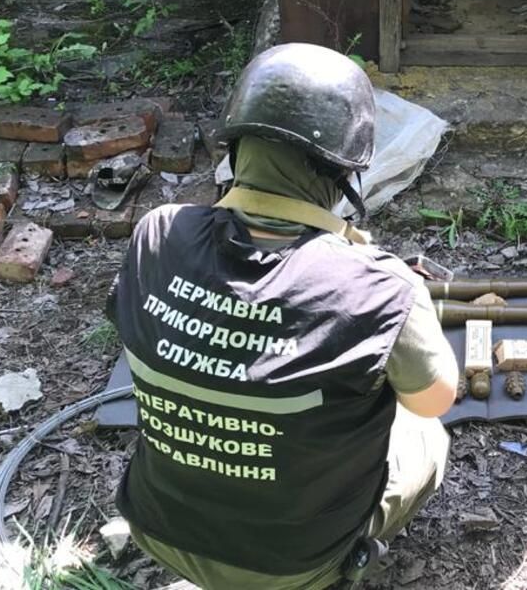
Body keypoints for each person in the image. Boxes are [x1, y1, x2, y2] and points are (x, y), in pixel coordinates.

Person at [107, 42, 459, 589]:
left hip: (157, 528)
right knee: (427, 433)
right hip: (293, 566)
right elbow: (435, 400)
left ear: (237, 146)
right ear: (342, 171)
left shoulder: (155, 233)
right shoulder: (381, 285)